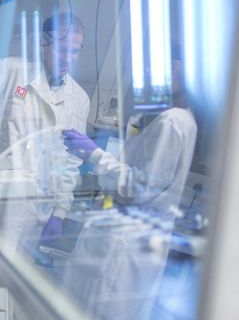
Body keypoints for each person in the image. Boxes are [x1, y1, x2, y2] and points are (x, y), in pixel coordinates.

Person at [60, 53, 197, 319]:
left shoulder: (173, 121)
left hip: (123, 246)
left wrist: (95, 154)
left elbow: (140, 188)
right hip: (120, 239)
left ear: (177, 68)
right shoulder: (165, 117)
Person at [0, 12, 90, 253]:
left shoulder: (79, 98)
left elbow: (71, 161)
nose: (69, 58)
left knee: (17, 277)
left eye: (75, 51)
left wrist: (60, 213)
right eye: (63, 49)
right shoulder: (11, 71)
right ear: (43, 44)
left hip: (40, 203)